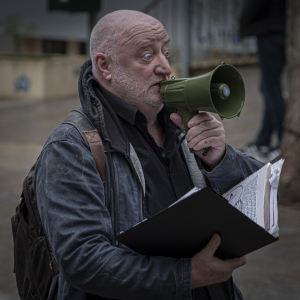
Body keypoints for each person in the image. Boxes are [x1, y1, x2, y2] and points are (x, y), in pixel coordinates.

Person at [34, 10, 263, 300]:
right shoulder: (71, 146)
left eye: (165, 52)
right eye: (146, 56)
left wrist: (220, 159)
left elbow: (263, 195)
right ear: (105, 66)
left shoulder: (182, 125)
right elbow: (82, 260)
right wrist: (186, 275)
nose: (165, 67)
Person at [239, 0, 286, 163]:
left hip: (271, 33)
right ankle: (263, 141)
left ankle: (282, 142)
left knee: (272, 89)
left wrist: (243, 24)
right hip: (281, 31)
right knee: (267, 88)